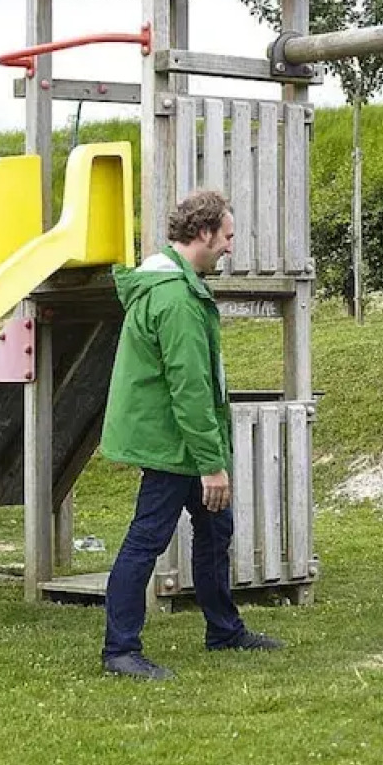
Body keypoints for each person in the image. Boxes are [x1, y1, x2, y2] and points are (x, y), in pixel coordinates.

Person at [97, 189, 282, 681]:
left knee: (215, 528)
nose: (229, 247)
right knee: (146, 540)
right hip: (171, 441)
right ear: (202, 234)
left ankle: (223, 629)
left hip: (175, 436)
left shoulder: (171, 283)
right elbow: (190, 387)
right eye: (226, 236)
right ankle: (120, 650)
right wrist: (211, 464)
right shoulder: (176, 299)